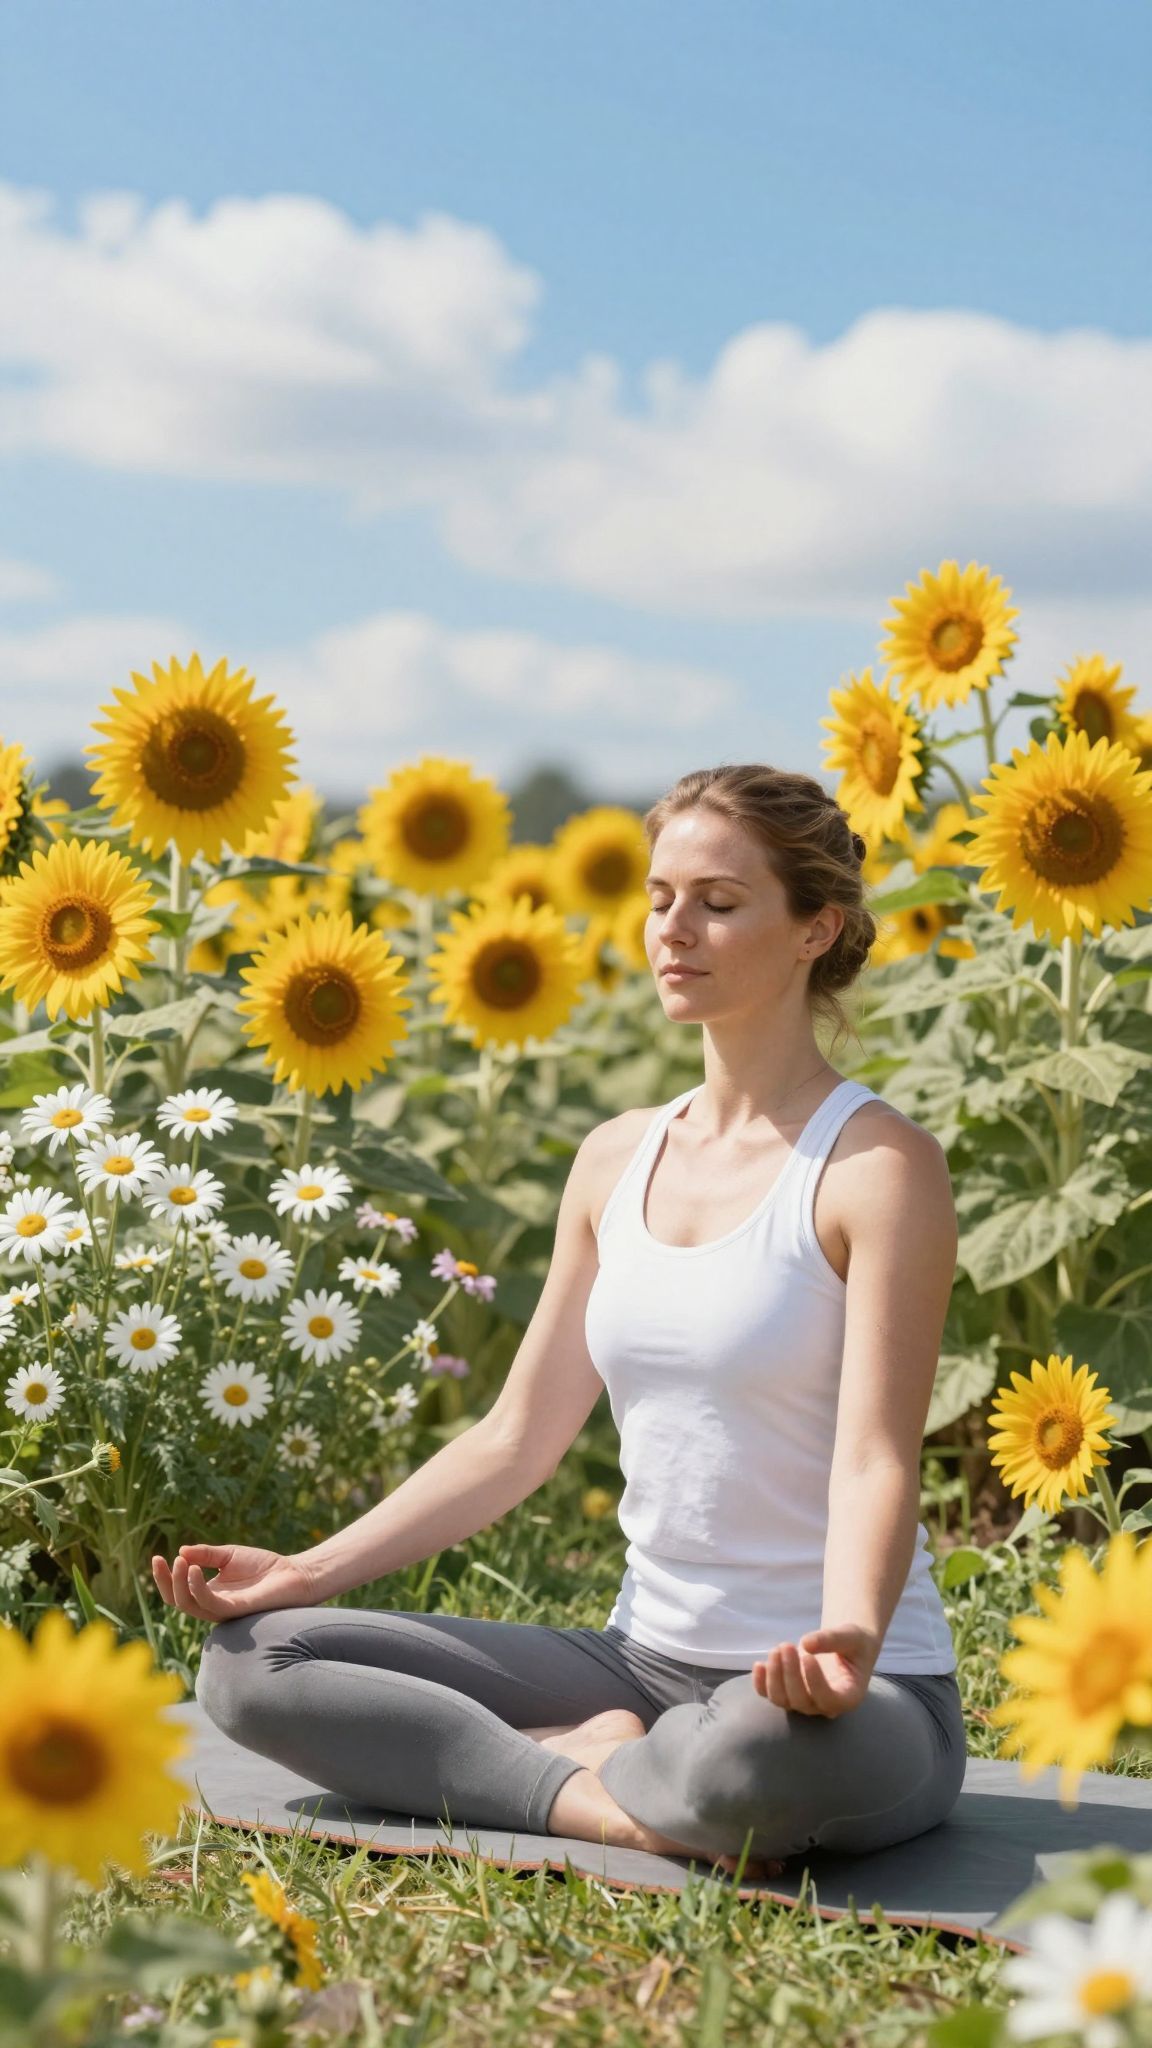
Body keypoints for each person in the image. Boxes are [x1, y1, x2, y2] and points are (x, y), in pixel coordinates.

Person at [153, 762, 967, 1883]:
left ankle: (585, 1778)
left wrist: (850, 1642)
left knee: (743, 1761)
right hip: (638, 1663)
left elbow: (877, 1457)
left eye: (720, 903)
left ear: (813, 928)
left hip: (841, 1695)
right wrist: (304, 1571)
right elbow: (515, 1435)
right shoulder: (614, 1158)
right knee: (251, 1664)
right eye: (660, 895)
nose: (674, 929)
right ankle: (613, 1795)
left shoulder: (878, 1168)